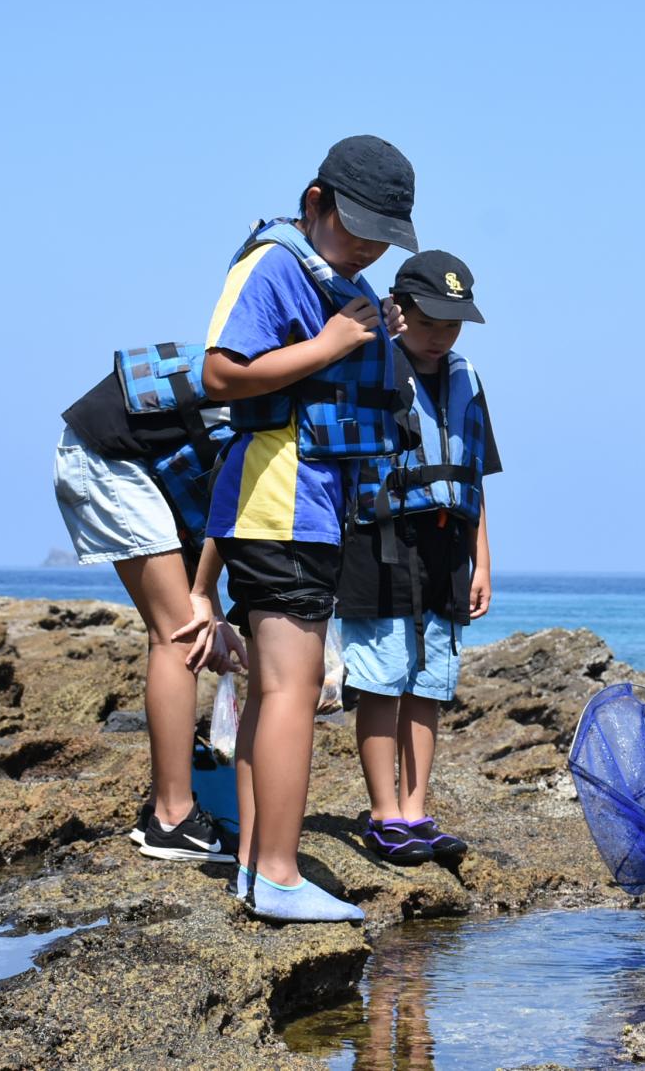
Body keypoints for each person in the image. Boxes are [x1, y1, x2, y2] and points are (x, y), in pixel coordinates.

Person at [179, 135, 417, 923]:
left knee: (270, 689)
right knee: (292, 687)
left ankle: (256, 861)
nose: (368, 250)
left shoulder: (331, 279)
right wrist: (328, 344)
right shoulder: (274, 265)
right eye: (355, 231)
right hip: (279, 502)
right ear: (315, 203)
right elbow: (219, 372)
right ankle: (279, 872)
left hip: (303, 505)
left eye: (382, 238)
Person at [336, 250, 499, 865]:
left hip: (448, 546)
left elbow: (476, 477)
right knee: (382, 678)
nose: (440, 337)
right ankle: (383, 816)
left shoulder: (467, 379)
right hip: (379, 542)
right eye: (428, 322)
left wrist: (483, 561)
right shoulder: (370, 363)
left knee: (430, 684)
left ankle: (416, 809)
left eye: (452, 325)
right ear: (398, 311)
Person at [54, 345, 246, 863]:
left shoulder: (285, 371)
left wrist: (218, 613)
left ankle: (168, 806)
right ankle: (172, 819)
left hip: (136, 461)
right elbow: (230, 507)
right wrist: (211, 608)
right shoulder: (295, 402)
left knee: (186, 627)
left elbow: (208, 510)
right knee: (178, 635)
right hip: (109, 456)